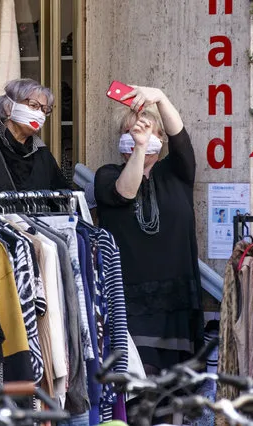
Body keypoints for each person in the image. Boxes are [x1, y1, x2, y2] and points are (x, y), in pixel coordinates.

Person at [94, 85, 203, 374]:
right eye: (130, 132)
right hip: (128, 301)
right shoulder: (107, 175)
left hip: (175, 301)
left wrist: (161, 97)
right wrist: (139, 148)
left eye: (147, 131)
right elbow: (126, 193)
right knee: (140, 382)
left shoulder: (176, 173)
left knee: (176, 388)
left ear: (161, 139)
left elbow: (181, 139)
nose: (138, 135)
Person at [0, 78, 68, 191]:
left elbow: (64, 195)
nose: (40, 114)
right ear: (8, 108)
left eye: (44, 110)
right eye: (33, 105)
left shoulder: (41, 152)